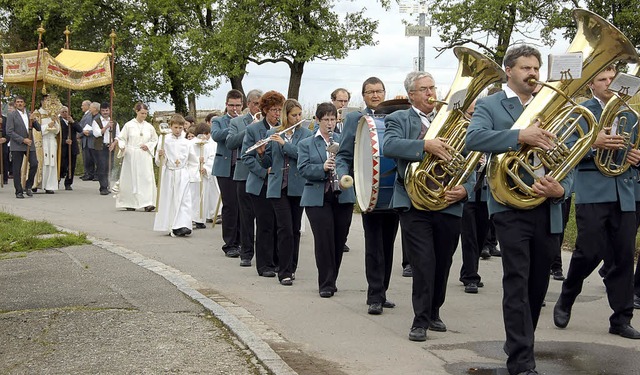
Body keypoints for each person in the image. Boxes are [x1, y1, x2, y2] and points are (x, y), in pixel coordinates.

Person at [466, 45, 574, 375]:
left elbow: (571, 156)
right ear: (509, 71)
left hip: (546, 206)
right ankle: (522, 361)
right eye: (525, 67)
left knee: (538, 286)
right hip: (509, 206)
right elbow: (474, 138)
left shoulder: (554, 106)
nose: (532, 73)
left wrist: (561, 190)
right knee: (517, 281)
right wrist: (519, 136)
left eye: (536, 68)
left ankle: (519, 341)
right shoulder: (490, 104)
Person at [384, 71, 473, 340]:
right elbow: (389, 145)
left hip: (447, 201)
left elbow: (473, 161)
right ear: (411, 94)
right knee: (423, 261)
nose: (430, 93)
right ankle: (419, 320)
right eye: (424, 89)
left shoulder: (455, 121)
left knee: (444, 260)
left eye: (433, 87)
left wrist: (465, 189)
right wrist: (425, 145)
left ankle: (434, 311)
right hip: (414, 201)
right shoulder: (398, 118)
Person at [554, 65, 640, 340]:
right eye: (602, 79)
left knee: (624, 256)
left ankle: (621, 318)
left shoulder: (630, 112)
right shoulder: (580, 112)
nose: (608, 83)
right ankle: (567, 295)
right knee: (588, 251)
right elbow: (564, 150)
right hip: (593, 190)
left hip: (626, 191)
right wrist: (593, 144)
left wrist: (636, 157)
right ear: (591, 84)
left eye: (612, 79)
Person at [335, 76, 399, 314]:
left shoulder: (395, 115)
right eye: (370, 92)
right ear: (363, 95)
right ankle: (374, 295)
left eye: (379, 91)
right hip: (368, 189)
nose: (375, 95)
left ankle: (383, 290)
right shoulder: (356, 118)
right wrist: (343, 177)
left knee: (389, 244)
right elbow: (343, 154)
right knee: (374, 244)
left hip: (393, 189)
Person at [298, 102, 354, 297]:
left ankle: (333, 277)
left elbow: (351, 163)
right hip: (317, 197)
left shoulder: (344, 140)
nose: (330, 124)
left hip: (342, 196)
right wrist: (322, 168)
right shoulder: (306, 143)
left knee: (339, 240)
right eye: (326, 120)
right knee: (324, 240)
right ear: (317, 120)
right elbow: (303, 169)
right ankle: (326, 283)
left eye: (333, 119)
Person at [258, 99, 312, 285]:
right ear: (285, 116)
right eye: (294, 115)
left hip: (297, 186)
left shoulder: (306, 134)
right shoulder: (272, 132)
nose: (298, 118)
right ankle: (284, 271)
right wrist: (261, 152)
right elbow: (268, 163)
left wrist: (283, 144)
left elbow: (302, 155)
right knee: (285, 229)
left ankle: (292, 266)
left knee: (295, 229)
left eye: (299, 114)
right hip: (277, 187)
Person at [241, 91, 284, 278]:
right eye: (273, 110)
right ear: (265, 110)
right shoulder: (254, 129)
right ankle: (264, 264)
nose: (277, 113)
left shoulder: (284, 128)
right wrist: (262, 171)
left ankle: (277, 261)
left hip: (280, 183)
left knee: (278, 224)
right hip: (260, 184)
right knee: (265, 223)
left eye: (280, 110)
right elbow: (246, 156)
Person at [227, 89, 262, 267]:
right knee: (246, 216)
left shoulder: (268, 122)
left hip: (263, 173)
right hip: (243, 174)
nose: (258, 107)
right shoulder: (237, 122)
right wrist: (250, 128)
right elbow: (230, 142)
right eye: (255, 103)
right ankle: (246, 253)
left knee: (264, 217)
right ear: (248, 104)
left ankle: (265, 254)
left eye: (261, 103)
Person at [458, 101, 489, 294]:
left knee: (481, 233)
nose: (474, 117)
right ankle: (471, 275)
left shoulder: (486, 128)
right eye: (470, 114)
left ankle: (467, 270)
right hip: (468, 190)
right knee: (468, 235)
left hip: (486, 189)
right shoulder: (460, 132)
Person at [153, 114, 197, 237]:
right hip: (169, 173)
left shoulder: (187, 142)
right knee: (171, 199)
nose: (178, 130)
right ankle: (172, 225)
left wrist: (190, 174)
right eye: (176, 127)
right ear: (171, 126)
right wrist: (161, 155)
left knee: (184, 199)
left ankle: (184, 225)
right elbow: (159, 162)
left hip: (182, 173)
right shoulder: (164, 140)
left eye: (180, 128)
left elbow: (193, 160)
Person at [212, 90, 244, 258]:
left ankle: (242, 241)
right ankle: (230, 243)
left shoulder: (245, 120)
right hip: (225, 168)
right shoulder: (218, 120)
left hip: (241, 167)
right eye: (231, 105)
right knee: (230, 205)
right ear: (226, 105)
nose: (234, 108)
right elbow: (216, 136)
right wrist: (234, 128)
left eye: (238, 105)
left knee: (242, 205)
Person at [114, 102, 158, 211]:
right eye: (142, 113)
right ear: (136, 111)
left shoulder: (149, 127)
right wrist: (123, 146)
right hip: (131, 155)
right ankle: (130, 202)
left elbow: (154, 139)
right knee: (130, 178)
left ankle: (148, 202)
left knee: (146, 179)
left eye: (145, 114)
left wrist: (148, 145)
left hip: (144, 155)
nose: (143, 116)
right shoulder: (129, 125)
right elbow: (121, 138)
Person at [6, 95, 41, 198]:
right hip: (17, 145)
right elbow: (9, 131)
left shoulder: (29, 114)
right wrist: (22, 140)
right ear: (15, 104)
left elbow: (38, 128)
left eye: (21, 102)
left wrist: (34, 120)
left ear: (24, 103)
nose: (19, 104)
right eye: (17, 102)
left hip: (30, 145)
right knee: (16, 169)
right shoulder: (12, 115)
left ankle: (28, 185)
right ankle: (19, 191)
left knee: (34, 164)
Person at [91, 102, 120, 195]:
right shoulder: (96, 121)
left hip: (110, 146)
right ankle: (103, 187)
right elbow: (96, 133)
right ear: (100, 111)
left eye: (106, 110)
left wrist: (114, 144)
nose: (105, 112)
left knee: (109, 167)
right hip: (100, 147)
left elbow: (118, 136)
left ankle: (106, 185)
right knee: (102, 167)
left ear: (109, 110)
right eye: (103, 111)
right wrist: (106, 126)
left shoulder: (115, 123)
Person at [188, 122, 213, 229]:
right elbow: (188, 158)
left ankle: (200, 219)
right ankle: (192, 218)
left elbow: (212, 158)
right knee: (193, 197)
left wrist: (206, 168)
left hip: (203, 174)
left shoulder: (208, 145)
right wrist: (197, 163)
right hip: (193, 174)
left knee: (203, 196)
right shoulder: (190, 143)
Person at [59, 106, 84, 190]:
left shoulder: (72, 121)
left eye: (66, 111)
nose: (65, 113)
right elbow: (57, 136)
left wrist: (73, 122)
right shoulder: (58, 122)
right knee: (62, 165)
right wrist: (64, 141)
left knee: (71, 166)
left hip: (72, 147)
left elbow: (80, 130)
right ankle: (57, 179)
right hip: (62, 148)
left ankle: (68, 183)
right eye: (63, 112)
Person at [40, 96, 61, 194]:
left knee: (52, 162)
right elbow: (36, 130)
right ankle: (39, 183)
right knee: (43, 162)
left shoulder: (54, 114)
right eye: (46, 100)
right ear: (42, 102)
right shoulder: (38, 113)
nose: (48, 103)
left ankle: (49, 185)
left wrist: (55, 123)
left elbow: (58, 131)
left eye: (50, 100)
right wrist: (47, 126)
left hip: (52, 140)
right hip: (42, 141)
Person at [78, 100, 97, 181]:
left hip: (89, 139)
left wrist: (83, 132)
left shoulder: (90, 115)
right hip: (85, 139)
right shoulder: (86, 115)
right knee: (86, 157)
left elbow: (88, 126)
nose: (81, 107)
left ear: (88, 106)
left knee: (91, 157)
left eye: (83, 105)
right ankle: (87, 173)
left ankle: (91, 173)